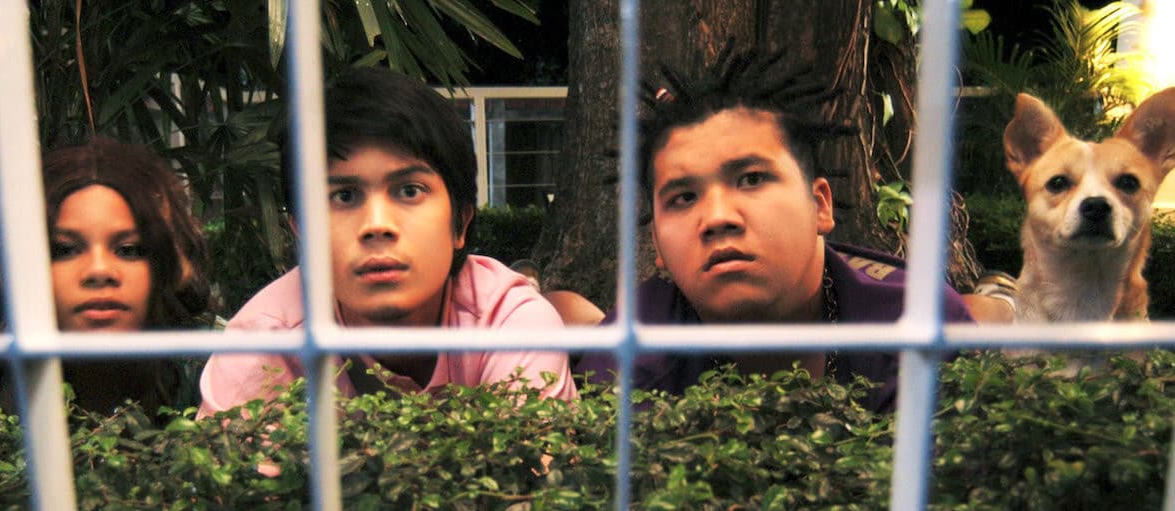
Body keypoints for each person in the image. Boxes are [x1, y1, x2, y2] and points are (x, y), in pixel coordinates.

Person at [576, 50, 974, 414]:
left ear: (820, 205)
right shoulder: (627, 358)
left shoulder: (916, 329)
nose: (717, 218)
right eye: (683, 198)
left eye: (751, 179)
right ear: (657, 244)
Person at [198, 67, 576, 415]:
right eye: (344, 196)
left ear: (460, 222)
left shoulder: (510, 324)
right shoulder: (263, 344)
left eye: (409, 191)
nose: (377, 225)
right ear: (300, 231)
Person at [0, 137, 211, 425]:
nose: (99, 271)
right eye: (65, 250)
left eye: (129, 250)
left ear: (166, 265)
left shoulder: (221, 376)